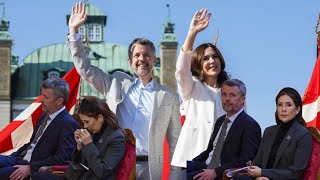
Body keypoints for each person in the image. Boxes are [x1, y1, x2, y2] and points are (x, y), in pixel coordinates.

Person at [67, 2, 182, 179]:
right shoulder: (116, 83)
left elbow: (175, 142)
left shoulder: (169, 97)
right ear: (129, 61)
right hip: (117, 163)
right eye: (137, 55)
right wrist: (74, 33)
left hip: (151, 168)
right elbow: (86, 69)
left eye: (146, 55)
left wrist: (176, 176)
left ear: (154, 60)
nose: (141, 59)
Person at [172, 9, 229, 168]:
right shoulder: (192, 86)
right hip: (191, 161)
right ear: (198, 64)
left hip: (221, 163)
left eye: (215, 56)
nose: (212, 61)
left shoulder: (231, 91)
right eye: (205, 58)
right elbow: (181, 70)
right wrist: (192, 34)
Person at [0, 78, 79, 180]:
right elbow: (32, 144)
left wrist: (30, 168)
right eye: (42, 95)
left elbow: (63, 158)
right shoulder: (43, 116)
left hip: (35, 168)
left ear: (59, 101)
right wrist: (12, 156)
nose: (41, 100)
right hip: (19, 159)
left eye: (46, 97)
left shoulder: (68, 123)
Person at [187, 79, 261, 180]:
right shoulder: (220, 121)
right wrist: (191, 163)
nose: (227, 99)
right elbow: (210, 150)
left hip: (224, 173)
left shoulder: (250, 125)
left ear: (243, 99)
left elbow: (246, 161)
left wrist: (216, 172)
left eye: (232, 95)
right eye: (224, 94)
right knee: (175, 169)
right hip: (206, 166)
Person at [235, 87, 312, 180]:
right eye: (280, 105)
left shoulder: (303, 135)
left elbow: (295, 173)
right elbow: (257, 164)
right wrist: (259, 177)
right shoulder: (269, 131)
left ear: (297, 109)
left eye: (288, 105)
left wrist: (264, 173)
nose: (283, 109)